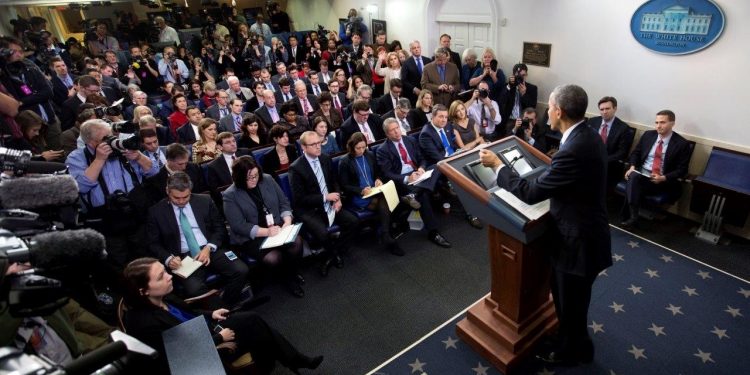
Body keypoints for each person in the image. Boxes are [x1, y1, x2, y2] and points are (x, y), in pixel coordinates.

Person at [479, 84, 612, 366]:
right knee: (567, 301)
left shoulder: (573, 149)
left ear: (559, 111)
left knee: (571, 304)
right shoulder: (586, 135)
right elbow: (561, 175)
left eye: (549, 106)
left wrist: (497, 167)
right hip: (585, 231)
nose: (546, 111)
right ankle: (569, 340)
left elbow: (530, 193)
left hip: (579, 241)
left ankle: (572, 352)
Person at [122, 257, 323, 374]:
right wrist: (219, 339)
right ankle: (289, 361)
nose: (168, 276)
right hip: (198, 357)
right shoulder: (142, 323)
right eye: (160, 276)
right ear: (143, 291)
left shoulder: (164, 296)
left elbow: (188, 312)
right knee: (255, 328)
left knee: (252, 320)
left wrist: (211, 313)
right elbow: (178, 356)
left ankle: (286, 361)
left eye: (165, 271)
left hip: (203, 331)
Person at [145, 171, 249, 308]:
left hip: (209, 249)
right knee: (194, 290)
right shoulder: (156, 212)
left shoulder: (204, 200)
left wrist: (209, 247)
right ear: (167, 191)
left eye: (185, 197)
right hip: (183, 259)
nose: (181, 201)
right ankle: (222, 312)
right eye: (176, 198)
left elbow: (220, 228)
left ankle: (225, 307)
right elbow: (153, 243)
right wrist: (168, 259)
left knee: (241, 270)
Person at [66, 119, 157, 268]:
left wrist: (139, 157)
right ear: (91, 142)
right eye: (105, 138)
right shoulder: (77, 157)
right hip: (106, 221)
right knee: (119, 265)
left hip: (135, 216)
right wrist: (99, 159)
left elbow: (154, 172)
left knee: (146, 260)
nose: (112, 140)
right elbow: (80, 187)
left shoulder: (123, 149)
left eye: (111, 135)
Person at [223, 157, 305, 297]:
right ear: (239, 177)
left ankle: (292, 272)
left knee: (297, 243)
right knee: (273, 258)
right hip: (252, 236)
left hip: (277, 227)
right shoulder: (230, 195)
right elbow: (238, 225)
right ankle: (288, 278)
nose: (254, 179)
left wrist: (287, 221)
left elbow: (284, 203)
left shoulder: (267, 179)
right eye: (249, 177)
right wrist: (267, 231)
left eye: (256, 175)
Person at [289, 131, 359, 277]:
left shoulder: (325, 159)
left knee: (353, 222)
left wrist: (338, 198)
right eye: (313, 144)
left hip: (330, 202)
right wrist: (325, 197)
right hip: (309, 209)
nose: (317, 146)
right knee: (323, 233)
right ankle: (334, 255)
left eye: (319, 142)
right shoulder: (296, 168)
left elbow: (334, 182)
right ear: (303, 147)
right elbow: (299, 199)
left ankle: (333, 253)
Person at [376, 118, 451, 248]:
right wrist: (407, 178)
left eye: (397, 128)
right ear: (387, 134)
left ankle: (416, 193)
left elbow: (422, 158)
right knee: (424, 196)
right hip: (403, 180)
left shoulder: (410, 140)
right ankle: (433, 233)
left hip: (418, 175)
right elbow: (387, 174)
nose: (396, 132)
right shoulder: (382, 150)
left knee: (438, 165)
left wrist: (421, 168)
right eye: (392, 131)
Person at [621, 109, 691, 228]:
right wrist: (632, 166)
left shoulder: (681, 144)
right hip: (642, 174)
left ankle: (630, 216)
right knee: (634, 176)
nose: (658, 126)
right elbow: (635, 153)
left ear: (672, 123)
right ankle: (633, 216)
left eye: (662, 122)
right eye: (656, 122)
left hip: (662, 181)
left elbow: (682, 170)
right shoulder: (648, 135)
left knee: (633, 181)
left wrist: (663, 178)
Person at [339, 132, 403, 255]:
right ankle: (387, 235)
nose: (361, 150)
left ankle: (385, 234)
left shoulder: (369, 155)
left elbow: (377, 172)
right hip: (359, 195)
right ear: (351, 147)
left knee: (388, 198)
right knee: (385, 201)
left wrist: (378, 179)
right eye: (358, 148)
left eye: (364, 147)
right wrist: (360, 190)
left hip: (374, 190)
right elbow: (344, 186)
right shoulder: (345, 161)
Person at [586, 96, 634, 190]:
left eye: (607, 108)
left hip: (610, 165)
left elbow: (622, 153)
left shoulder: (623, 128)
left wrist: (602, 160)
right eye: (602, 109)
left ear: (615, 109)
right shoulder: (592, 121)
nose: (604, 112)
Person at [143, 142, 208, 206]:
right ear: (168, 161)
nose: (184, 167)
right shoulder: (155, 180)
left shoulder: (194, 168)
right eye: (180, 164)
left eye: (186, 163)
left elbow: (203, 191)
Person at [500, 63, 538, 135]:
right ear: (513, 75)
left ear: (526, 75)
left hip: (525, 121)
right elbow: (502, 101)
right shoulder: (508, 86)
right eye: (519, 75)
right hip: (510, 120)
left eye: (523, 75)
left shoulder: (532, 88)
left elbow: (533, 107)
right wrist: (509, 86)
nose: (521, 78)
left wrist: (523, 94)